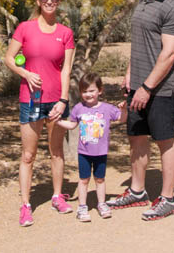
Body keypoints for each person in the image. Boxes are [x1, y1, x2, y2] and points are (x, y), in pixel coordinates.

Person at [107, 0, 174, 220]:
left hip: (162, 87)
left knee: (165, 139)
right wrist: (131, 74)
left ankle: (168, 198)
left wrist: (147, 88)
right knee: (137, 136)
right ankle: (137, 191)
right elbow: (141, 41)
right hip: (139, 84)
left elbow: (170, 53)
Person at [4, 0, 76, 227]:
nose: (49, 1)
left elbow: (66, 70)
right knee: (28, 155)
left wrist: (63, 100)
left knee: (57, 152)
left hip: (56, 101)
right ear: (38, 0)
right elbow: (9, 58)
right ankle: (26, 205)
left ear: (59, 0)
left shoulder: (65, 33)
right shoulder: (25, 28)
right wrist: (25, 74)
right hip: (30, 99)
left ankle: (57, 196)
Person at [55, 72, 128, 222]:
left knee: (100, 179)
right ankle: (82, 207)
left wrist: (124, 109)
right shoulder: (78, 108)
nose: (88, 94)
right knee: (84, 180)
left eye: (91, 91)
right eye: (84, 91)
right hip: (84, 153)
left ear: (100, 90)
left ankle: (102, 204)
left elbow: (122, 119)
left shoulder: (107, 109)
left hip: (101, 153)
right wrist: (58, 121)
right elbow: (72, 125)